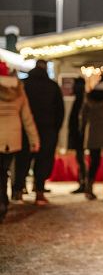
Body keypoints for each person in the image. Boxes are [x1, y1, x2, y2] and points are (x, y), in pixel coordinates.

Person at [12, 59, 64, 205]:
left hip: (25, 129)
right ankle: (39, 191)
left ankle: (18, 191)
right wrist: (55, 129)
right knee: (43, 160)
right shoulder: (52, 86)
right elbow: (60, 111)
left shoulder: (24, 85)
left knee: (23, 161)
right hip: (47, 130)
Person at [0, 62, 39, 221]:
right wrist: (34, 139)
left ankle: (2, 202)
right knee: (5, 171)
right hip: (13, 138)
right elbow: (27, 118)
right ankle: (3, 202)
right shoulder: (18, 89)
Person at [68, 77, 86, 194]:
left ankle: (83, 182)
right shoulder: (82, 99)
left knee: (80, 159)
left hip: (79, 134)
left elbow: (77, 120)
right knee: (80, 159)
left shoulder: (80, 100)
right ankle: (83, 182)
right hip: (79, 134)